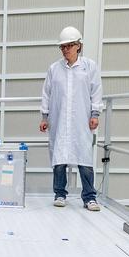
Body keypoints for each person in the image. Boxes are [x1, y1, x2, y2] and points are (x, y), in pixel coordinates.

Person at [39, 25, 102, 210]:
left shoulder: (89, 67)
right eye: (63, 46)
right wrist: (44, 117)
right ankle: (60, 194)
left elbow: (96, 91)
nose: (66, 49)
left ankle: (89, 197)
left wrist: (95, 114)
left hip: (81, 120)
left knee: (84, 158)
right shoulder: (54, 69)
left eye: (69, 45)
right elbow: (46, 94)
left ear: (78, 46)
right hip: (59, 119)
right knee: (59, 158)